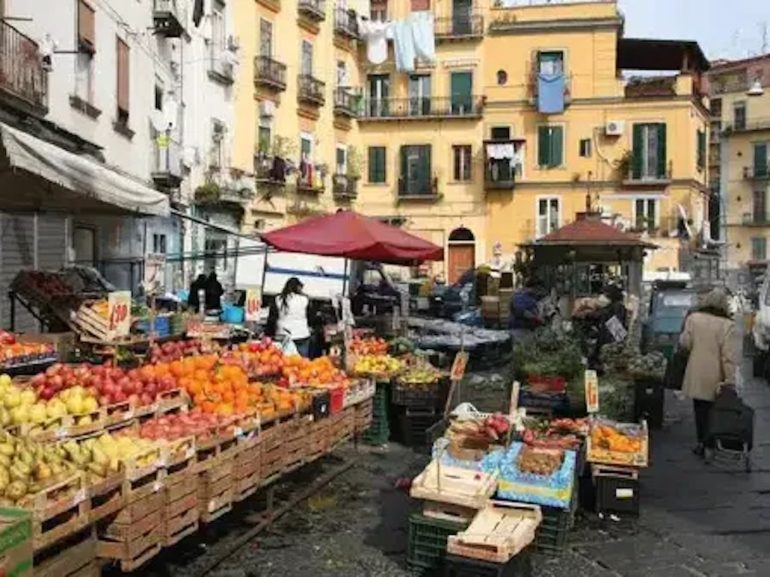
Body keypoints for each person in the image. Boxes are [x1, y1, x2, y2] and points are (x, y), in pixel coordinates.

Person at [679, 287, 738, 457]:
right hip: (717, 374)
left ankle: (702, 444)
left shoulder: (693, 319)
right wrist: (730, 378)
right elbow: (728, 356)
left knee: (700, 410)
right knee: (715, 411)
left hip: (696, 372)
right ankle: (711, 444)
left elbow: (685, 343)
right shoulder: (727, 325)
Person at [269, 277, 311, 357]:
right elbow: (311, 317)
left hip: (282, 335)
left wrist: (269, 334)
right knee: (301, 364)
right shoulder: (305, 299)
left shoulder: (278, 299)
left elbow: (272, 319)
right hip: (301, 334)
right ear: (298, 287)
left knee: (284, 362)